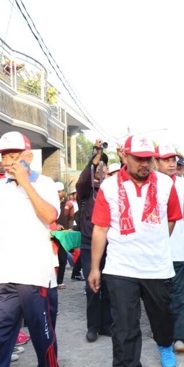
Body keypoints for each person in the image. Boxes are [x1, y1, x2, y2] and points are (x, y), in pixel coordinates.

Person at [88, 135, 182, 367]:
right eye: (139, 158)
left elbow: (172, 218)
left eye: (148, 158)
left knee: (161, 315)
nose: (145, 163)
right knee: (124, 325)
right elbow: (101, 228)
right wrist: (95, 267)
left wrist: (156, 242)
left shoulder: (165, 184)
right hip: (121, 266)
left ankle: (165, 343)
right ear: (125, 157)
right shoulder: (108, 186)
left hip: (156, 266)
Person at [0, 131, 60, 367]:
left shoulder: (44, 183)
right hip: (5, 270)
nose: (8, 162)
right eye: (4, 156)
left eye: (14, 156)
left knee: (41, 326)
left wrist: (25, 184)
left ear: (28, 157)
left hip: (35, 271)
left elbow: (50, 215)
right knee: (1, 328)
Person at [154, 143, 184, 353]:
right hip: (153, 249)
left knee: (178, 294)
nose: (172, 164)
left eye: (174, 159)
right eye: (166, 160)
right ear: (156, 162)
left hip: (176, 248)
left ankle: (179, 337)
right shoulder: (150, 184)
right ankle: (163, 334)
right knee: (158, 296)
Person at [76, 139, 113, 342]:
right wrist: (94, 158)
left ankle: (107, 324)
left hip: (111, 244)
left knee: (108, 285)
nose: (101, 168)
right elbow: (82, 181)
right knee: (93, 286)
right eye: (98, 165)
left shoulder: (112, 190)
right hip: (90, 244)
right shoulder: (86, 192)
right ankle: (93, 327)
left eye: (103, 164)